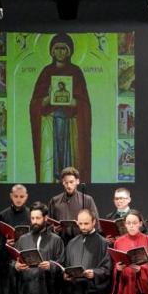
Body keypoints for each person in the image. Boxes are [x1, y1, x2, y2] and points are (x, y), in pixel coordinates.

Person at [29, 33, 92, 183]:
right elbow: (35, 104)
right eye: (57, 48)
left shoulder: (76, 72)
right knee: (51, 164)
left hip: (70, 126)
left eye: (64, 49)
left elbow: (84, 104)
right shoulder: (46, 72)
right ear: (52, 51)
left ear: (69, 51)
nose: (60, 52)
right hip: (50, 126)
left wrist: (72, 101)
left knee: (69, 160)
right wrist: (48, 98)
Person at [47, 166, 99, 243]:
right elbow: (48, 225)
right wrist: (54, 229)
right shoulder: (55, 201)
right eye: (66, 182)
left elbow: (96, 223)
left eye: (71, 182)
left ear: (77, 181)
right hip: (61, 243)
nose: (68, 186)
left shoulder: (87, 200)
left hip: (82, 243)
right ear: (63, 182)